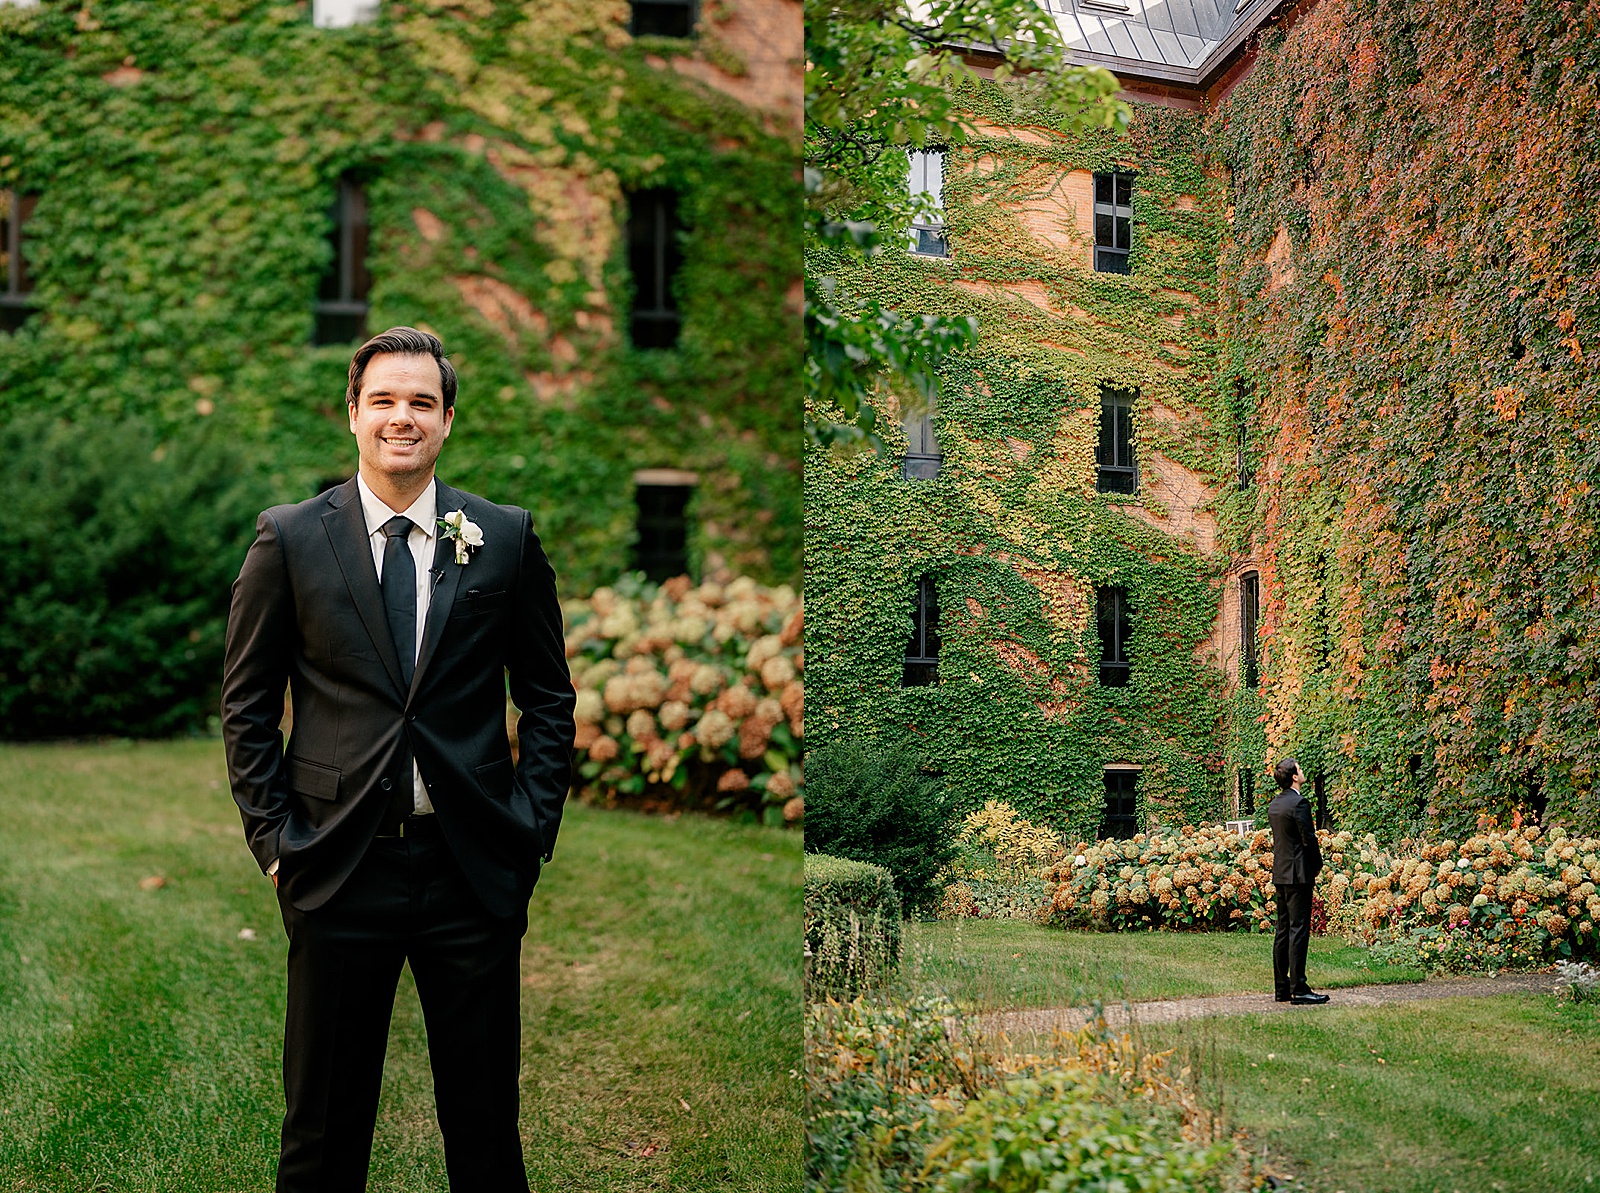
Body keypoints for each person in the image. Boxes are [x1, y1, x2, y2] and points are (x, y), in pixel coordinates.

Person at [221, 326, 576, 1191]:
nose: (401, 418)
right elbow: (247, 704)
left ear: (447, 420)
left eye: (421, 401)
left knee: (487, 1130)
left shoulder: (505, 536)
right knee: (322, 1130)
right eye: (383, 400)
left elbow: (548, 697)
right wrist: (276, 842)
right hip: (339, 866)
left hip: (472, 871)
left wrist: (528, 832)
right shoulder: (291, 539)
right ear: (352, 415)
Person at [1267, 757, 1328, 1005]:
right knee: (1298, 930)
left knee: (1283, 930)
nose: (1303, 772)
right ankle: (1299, 988)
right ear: (1294, 777)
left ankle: (1282, 988)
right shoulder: (1299, 803)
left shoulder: (1275, 804)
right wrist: (1317, 865)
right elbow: (1308, 839)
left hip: (1281, 873)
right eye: (1300, 770)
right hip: (1299, 874)